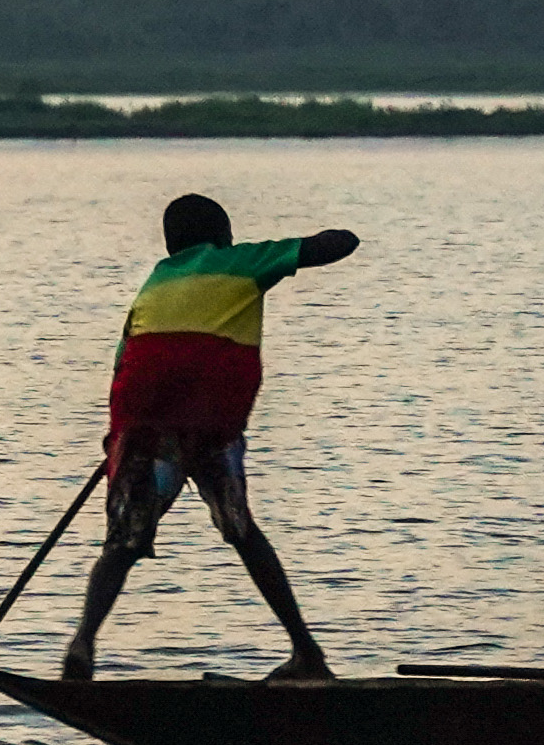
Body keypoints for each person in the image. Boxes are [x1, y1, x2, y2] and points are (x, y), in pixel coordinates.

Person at [56, 192, 357, 686]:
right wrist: (321, 242)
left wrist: (119, 439)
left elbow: (123, 361)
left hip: (144, 424)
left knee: (121, 544)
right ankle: (306, 651)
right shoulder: (241, 262)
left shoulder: (155, 282)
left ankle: (83, 641)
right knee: (242, 533)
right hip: (212, 423)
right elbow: (338, 245)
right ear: (223, 237)